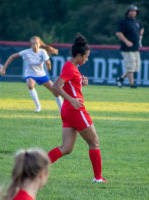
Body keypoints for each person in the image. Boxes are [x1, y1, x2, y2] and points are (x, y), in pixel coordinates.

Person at [47, 33, 107, 183]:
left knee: (66, 148)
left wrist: (81, 82)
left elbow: (70, 84)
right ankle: (98, 178)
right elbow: (56, 86)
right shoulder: (71, 68)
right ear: (79, 55)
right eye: (86, 57)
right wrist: (72, 99)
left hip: (68, 111)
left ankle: (36, 167)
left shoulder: (71, 67)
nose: (86, 60)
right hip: (76, 110)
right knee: (94, 142)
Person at [0, 36, 63, 112]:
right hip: (30, 74)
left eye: (36, 43)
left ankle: (62, 109)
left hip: (41, 75)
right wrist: (4, 68)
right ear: (30, 45)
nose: (35, 45)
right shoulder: (26, 52)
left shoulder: (43, 52)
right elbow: (12, 56)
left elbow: (49, 68)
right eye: (33, 44)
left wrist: (48, 64)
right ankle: (38, 106)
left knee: (55, 91)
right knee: (30, 85)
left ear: (39, 44)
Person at [116, 4, 144, 88]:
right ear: (128, 12)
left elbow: (142, 28)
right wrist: (126, 41)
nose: (133, 13)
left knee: (135, 67)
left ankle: (120, 79)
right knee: (130, 66)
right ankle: (132, 84)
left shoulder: (137, 22)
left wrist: (140, 35)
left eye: (135, 11)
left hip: (135, 48)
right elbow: (118, 33)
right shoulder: (124, 22)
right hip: (127, 49)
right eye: (132, 11)